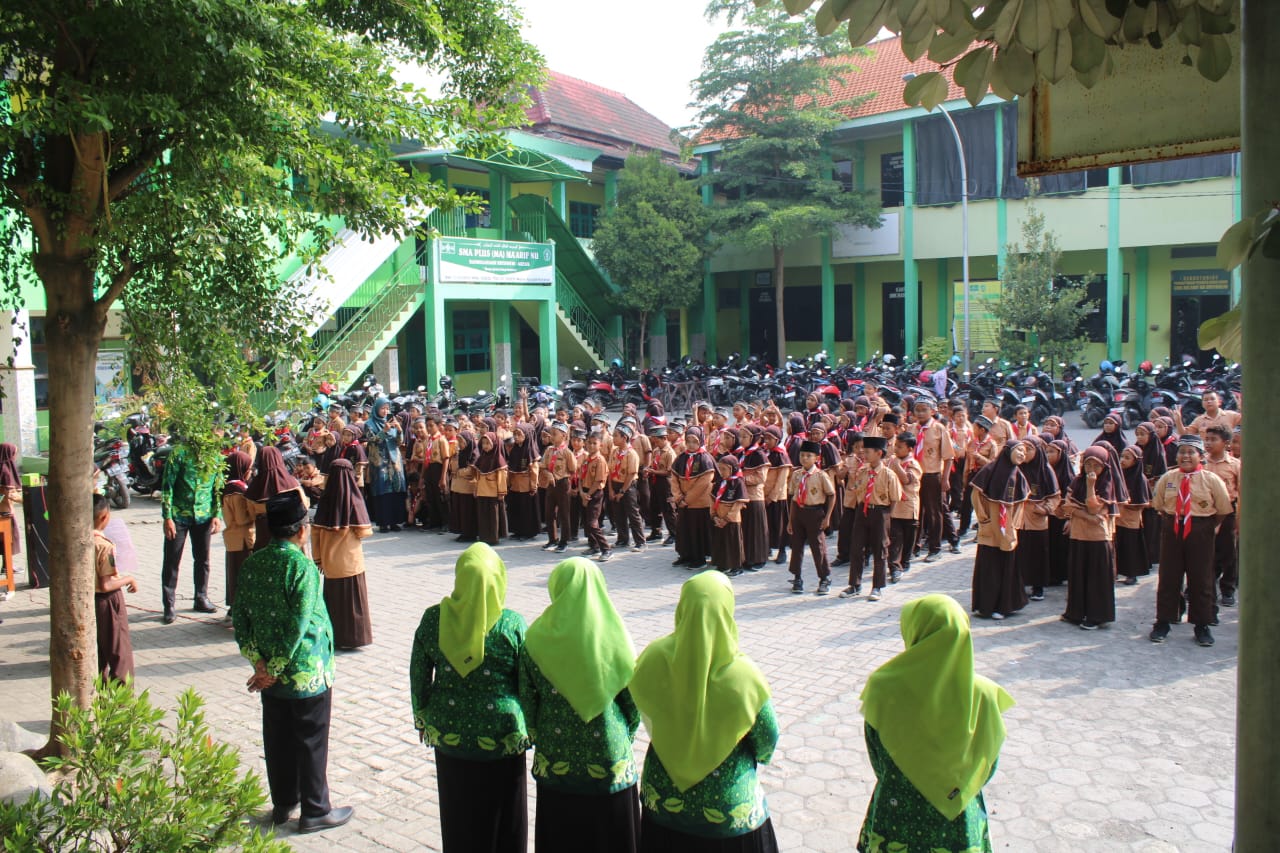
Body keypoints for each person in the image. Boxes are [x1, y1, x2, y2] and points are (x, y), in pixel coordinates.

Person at [630, 572, 779, 852]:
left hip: (662, 801)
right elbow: (767, 739)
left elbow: (639, 704)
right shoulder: (743, 675)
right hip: (728, 809)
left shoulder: (654, 657)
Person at [233, 490, 352, 833]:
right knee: (310, 739)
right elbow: (298, 625)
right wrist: (272, 668)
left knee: (279, 738)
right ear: (301, 530)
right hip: (305, 673)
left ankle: (284, 803)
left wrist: (259, 664)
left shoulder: (253, 563)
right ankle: (315, 810)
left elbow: (240, 619)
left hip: (270, 676)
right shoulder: (301, 567)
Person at [857, 594, 1014, 853]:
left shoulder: (883, 688)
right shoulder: (985, 695)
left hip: (896, 816)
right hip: (959, 821)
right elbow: (987, 766)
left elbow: (877, 757)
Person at [410, 543, 530, 852]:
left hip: (449, 734)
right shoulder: (511, 625)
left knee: (458, 814)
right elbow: (527, 684)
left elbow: (419, 675)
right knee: (506, 818)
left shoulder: (433, 620)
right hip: (503, 737)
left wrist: (422, 717)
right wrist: (531, 726)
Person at [520, 558, 641, 852]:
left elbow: (528, 700)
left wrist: (538, 733)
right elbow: (633, 702)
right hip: (609, 757)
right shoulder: (616, 637)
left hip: (556, 758)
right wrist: (626, 733)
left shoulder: (536, 638)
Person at [1149, 435, 1233, 647]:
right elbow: (1158, 505)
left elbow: (1223, 509)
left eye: (1190, 452)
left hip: (1201, 530)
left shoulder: (1211, 480)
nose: (1185, 456)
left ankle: (1201, 625)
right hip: (1173, 529)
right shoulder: (1168, 478)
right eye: (1181, 452)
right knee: (1168, 577)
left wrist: (1207, 526)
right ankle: (1163, 621)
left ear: (1200, 456)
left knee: (1201, 578)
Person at [311, 459, 374, 650]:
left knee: (334, 601)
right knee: (352, 602)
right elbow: (364, 531)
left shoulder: (325, 501)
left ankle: (334, 637)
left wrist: (318, 559)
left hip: (330, 563)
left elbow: (315, 534)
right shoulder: (354, 499)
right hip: (351, 562)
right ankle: (354, 639)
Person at [159, 438, 223, 623]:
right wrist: (167, 517)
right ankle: (169, 604)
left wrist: (216, 514)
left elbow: (217, 488)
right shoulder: (179, 454)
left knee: (203, 560)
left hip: (203, 515)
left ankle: (201, 597)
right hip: (179, 514)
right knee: (172, 560)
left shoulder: (215, 456)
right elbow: (167, 486)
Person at [969, 441, 1030, 621]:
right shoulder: (990, 469)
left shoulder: (1018, 475)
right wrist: (983, 518)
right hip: (990, 525)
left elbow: (1020, 504)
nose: (1022, 454)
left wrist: (1013, 525)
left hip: (1007, 528)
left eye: (1024, 452)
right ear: (1008, 451)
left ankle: (1004, 606)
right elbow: (976, 495)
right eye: (1019, 450)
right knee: (989, 566)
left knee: (1006, 566)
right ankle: (986, 606)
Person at [1062, 446, 1120, 630]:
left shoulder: (1106, 484)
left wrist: (1090, 486)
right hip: (1079, 534)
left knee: (1096, 578)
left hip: (1098, 538)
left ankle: (1096, 616)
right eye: (1088, 464)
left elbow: (1095, 508)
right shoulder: (1076, 482)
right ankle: (1076, 612)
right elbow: (1067, 506)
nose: (1092, 469)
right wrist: (1086, 516)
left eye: (1097, 465)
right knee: (1078, 574)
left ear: (1104, 467)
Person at [840, 436, 902, 602]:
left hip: (880, 513)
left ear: (879, 453)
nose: (863, 454)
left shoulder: (889, 474)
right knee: (856, 548)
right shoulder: (862, 471)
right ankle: (854, 584)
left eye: (867, 451)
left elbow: (895, 498)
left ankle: (877, 586)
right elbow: (857, 490)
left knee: (880, 550)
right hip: (862, 511)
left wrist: (886, 517)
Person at [93, 494, 136, 683]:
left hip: (88, 601)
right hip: (107, 602)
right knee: (120, 655)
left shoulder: (75, 541)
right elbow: (106, 584)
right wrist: (129, 579)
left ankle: (98, 695)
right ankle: (121, 699)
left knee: (98, 654)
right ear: (105, 517)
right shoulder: (104, 546)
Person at [1014, 436, 1060, 602]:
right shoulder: (1016, 468)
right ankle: (1020, 583)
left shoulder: (1045, 470)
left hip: (1036, 519)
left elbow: (1055, 496)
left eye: (1029, 449)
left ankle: (1038, 587)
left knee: (1037, 553)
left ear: (1037, 451)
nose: (1025, 452)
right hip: (1018, 518)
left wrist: (1045, 509)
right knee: (1020, 552)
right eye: (1022, 448)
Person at [788, 440, 835, 595]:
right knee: (796, 546)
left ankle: (824, 578)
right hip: (798, 512)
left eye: (809, 455)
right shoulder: (796, 474)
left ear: (816, 458)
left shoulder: (821, 475)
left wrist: (827, 517)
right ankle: (797, 577)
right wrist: (790, 520)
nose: (804, 458)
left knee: (818, 546)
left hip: (815, 513)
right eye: (802, 455)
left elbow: (831, 495)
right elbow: (793, 498)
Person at [1202, 424, 1241, 609]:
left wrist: (1239, 520)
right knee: (1204, 551)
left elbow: (1241, 491)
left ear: (1226, 443)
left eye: (1213, 439)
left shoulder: (1235, 465)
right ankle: (1204, 587)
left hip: (1227, 512)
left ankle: (1228, 589)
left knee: (1228, 552)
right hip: (1204, 512)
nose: (1208, 443)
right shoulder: (1201, 462)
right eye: (1206, 439)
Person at [670, 428, 716, 570]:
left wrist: (687, 499)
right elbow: (674, 478)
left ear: (700, 441)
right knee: (684, 529)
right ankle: (685, 555)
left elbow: (704, 482)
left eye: (694, 442)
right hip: (683, 502)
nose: (691, 445)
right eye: (688, 441)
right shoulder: (681, 458)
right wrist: (678, 497)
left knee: (697, 531)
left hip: (699, 502)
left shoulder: (705, 458)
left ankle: (699, 558)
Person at [220, 450, 256, 613]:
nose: (250, 471)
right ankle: (242, 609)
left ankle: (235, 607)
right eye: (248, 468)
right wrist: (256, 512)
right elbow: (242, 518)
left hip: (232, 538)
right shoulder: (237, 490)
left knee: (233, 574)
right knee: (243, 575)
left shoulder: (227, 486)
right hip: (243, 540)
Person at [365, 397, 408, 532]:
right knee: (382, 491)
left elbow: (399, 442)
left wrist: (399, 430)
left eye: (387, 408)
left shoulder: (391, 421)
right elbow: (371, 440)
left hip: (394, 461)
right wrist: (383, 431)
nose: (385, 411)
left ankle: (395, 521)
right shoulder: (369, 424)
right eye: (382, 408)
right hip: (380, 462)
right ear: (376, 409)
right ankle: (384, 523)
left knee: (396, 490)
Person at [888, 433, 923, 583]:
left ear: (909, 449)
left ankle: (905, 562)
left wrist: (896, 465)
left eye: (900, 447)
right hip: (895, 507)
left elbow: (906, 480)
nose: (896, 449)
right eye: (895, 446)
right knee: (895, 539)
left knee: (909, 539)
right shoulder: (892, 462)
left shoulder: (913, 464)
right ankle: (894, 568)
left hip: (908, 506)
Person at [1116, 446, 1152, 585]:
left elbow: (1145, 503)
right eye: (1122, 456)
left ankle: (1132, 574)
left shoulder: (1140, 478)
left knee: (1130, 547)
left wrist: (1125, 504)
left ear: (1136, 461)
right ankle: (1117, 571)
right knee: (1118, 546)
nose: (1122, 460)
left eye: (1127, 458)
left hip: (1131, 520)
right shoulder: (1119, 475)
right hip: (1118, 518)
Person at [540, 421, 578, 554]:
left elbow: (573, 469)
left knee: (564, 513)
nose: (552, 436)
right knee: (549, 513)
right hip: (551, 484)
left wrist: (570, 485)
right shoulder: (549, 450)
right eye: (551, 434)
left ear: (563, 436)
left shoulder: (567, 452)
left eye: (555, 434)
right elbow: (543, 466)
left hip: (563, 483)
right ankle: (552, 539)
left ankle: (564, 541)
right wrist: (548, 474)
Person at [608, 423, 645, 552]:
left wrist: (622, 491)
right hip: (615, 484)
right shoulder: (614, 452)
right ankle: (623, 539)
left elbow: (631, 474)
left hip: (628, 486)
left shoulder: (631, 454)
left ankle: (640, 541)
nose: (613, 438)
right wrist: (611, 490)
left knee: (633, 514)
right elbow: (610, 471)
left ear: (624, 437)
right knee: (618, 514)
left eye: (616, 436)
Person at [711, 455, 748, 577]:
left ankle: (737, 566)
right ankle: (722, 564)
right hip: (719, 517)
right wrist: (714, 516)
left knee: (733, 543)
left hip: (732, 519)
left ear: (733, 469)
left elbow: (738, 504)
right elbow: (712, 500)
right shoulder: (719, 482)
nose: (721, 472)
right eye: (720, 469)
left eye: (724, 469)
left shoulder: (738, 482)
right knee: (721, 542)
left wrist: (727, 518)